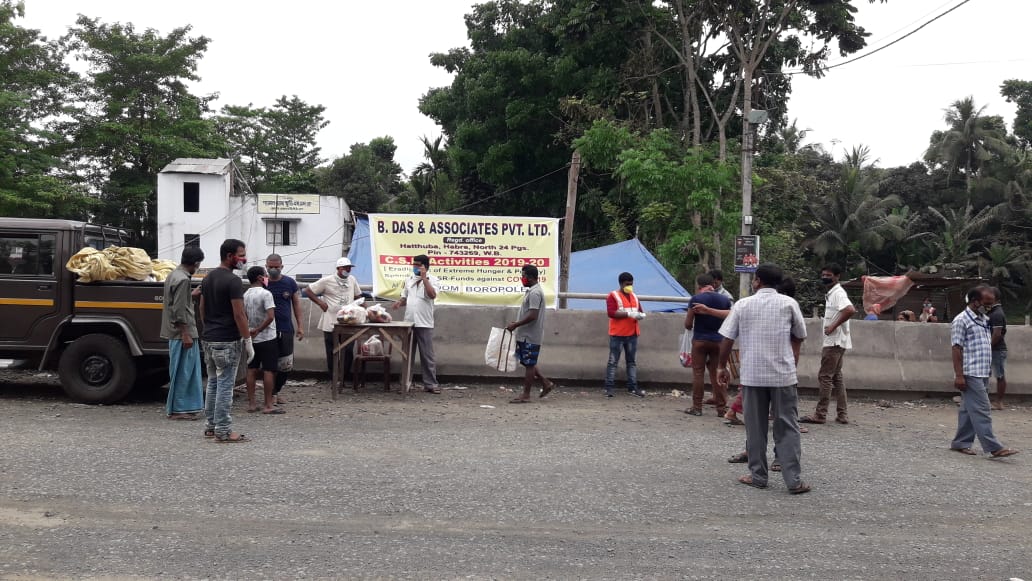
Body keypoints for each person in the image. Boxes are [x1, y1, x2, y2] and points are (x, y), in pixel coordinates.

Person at [716, 263, 810, 494]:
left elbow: (727, 338)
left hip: (752, 376)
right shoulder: (789, 304)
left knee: (755, 428)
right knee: (788, 427)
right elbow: (799, 335)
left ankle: (758, 476)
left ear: (757, 281)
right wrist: (793, 359)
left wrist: (721, 366)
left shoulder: (742, 305)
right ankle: (794, 481)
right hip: (783, 376)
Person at [948, 287, 1018, 458]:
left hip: (982, 371)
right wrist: (959, 375)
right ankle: (994, 447)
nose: (989, 306)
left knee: (968, 410)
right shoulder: (961, 320)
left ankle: (960, 443)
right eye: (986, 303)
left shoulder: (983, 319)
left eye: (991, 303)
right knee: (982, 409)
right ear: (975, 301)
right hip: (970, 372)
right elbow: (956, 348)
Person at [199, 239, 253, 443]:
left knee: (213, 382)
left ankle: (211, 426)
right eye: (241, 255)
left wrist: (209, 327)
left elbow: (202, 308)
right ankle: (223, 430)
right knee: (225, 385)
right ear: (230, 256)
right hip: (227, 340)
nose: (244, 259)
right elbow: (239, 314)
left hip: (209, 338)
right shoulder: (233, 281)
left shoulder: (207, 278)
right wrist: (247, 339)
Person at [801, 263, 856, 425]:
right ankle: (842, 414)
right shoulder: (832, 293)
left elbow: (850, 310)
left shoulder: (838, 293)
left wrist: (832, 326)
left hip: (834, 341)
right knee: (837, 377)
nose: (825, 278)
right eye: (823, 275)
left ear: (837, 277)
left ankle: (820, 414)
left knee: (825, 377)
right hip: (839, 341)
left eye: (828, 275)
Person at [161, 246, 205, 420]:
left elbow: (176, 302)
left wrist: (192, 295)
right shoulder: (183, 280)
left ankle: (181, 407)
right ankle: (179, 410)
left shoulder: (173, 275)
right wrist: (185, 333)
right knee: (184, 372)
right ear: (196, 263)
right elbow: (178, 310)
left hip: (175, 332)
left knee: (180, 371)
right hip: (182, 333)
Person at [305, 257, 362, 383]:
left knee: (348, 351)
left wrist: (364, 309)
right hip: (331, 321)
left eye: (349, 268)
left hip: (349, 321)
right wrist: (320, 303)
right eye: (345, 268)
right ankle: (334, 377)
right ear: (338, 268)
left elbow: (358, 296)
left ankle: (344, 377)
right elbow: (308, 291)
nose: (348, 270)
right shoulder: (327, 280)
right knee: (332, 351)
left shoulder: (352, 280)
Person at [391, 254, 441, 394]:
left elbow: (432, 295)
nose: (415, 267)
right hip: (409, 322)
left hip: (424, 323)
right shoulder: (409, 279)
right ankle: (405, 383)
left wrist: (424, 278)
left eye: (418, 265)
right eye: (414, 264)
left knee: (427, 356)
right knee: (407, 355)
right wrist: (399, 303)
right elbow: (405, 298)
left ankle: (431, 384)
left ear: (425, 266)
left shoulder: (433, 280)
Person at [683, 273, 731, 415]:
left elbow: (688, 324)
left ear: (699, 285)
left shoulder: (696, 299)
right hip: (718, 341)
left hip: (700, 341)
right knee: (717, 373)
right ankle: (721, 408)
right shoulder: (725, 299)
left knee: (698, 373)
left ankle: (697, 407)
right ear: (713, 284)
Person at [506, 264, 554, 403]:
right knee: (527, 361)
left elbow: (533, 315)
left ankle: (526, 394)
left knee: (529, 364)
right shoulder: (532, 291)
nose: (522, 278)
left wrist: (516, 324)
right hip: (525, 334)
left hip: (530, 335)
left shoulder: (534, 293)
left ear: (531, 277)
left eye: (524, 276)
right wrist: (517, 323)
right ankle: (545, 383)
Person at [243, 266, 284, 415]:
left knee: (251, 369)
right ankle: (268, 404)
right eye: (265, 275)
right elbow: (271, 316)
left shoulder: (245, 294)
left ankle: (252, 404)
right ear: (260, 278)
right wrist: (259, 329)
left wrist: (251, 331)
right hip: (267, 337)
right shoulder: (266, 294)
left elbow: (243, 315)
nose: (267, 277)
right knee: (269, 370)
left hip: (251, 337)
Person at [265, 254, 304, 405]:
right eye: (270, 267)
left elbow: (296, 304)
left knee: (286, 365)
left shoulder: (289, 282)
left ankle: (276, 391)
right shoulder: (263, 283)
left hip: (286, 329)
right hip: (267, 330)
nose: (273, 269)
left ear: (282, 266)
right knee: (270, 364)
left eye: (276, 267)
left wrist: (300, 326)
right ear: (266, 267)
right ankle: (270, 395)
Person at [604, 272, 645, 398]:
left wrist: (640, 315)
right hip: (618, 334)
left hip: (632, 333)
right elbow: (611, 313)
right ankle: (609, 389)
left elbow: (639, 310)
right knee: (613, 362)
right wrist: (629, 314)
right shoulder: (613, 296)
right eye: (627, 284)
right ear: (621, 284)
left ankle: (632, 388)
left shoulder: (634, 296)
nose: (630, 286)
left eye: (631, 284)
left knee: (631, 362)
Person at [987, 287, 1008, 411]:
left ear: (994, 297)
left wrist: (987, 347)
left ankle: (999, 402)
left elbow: (997, 334)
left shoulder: (997, 313)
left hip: (997, 349)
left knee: (999, 375)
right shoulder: (993, 311)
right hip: (994, 349)